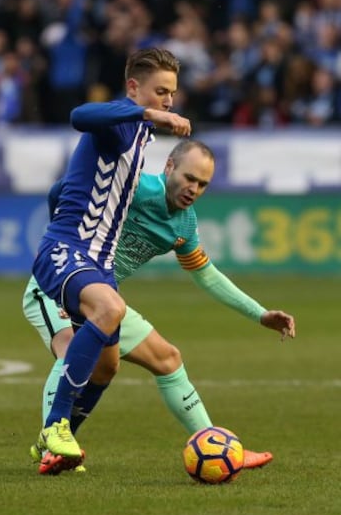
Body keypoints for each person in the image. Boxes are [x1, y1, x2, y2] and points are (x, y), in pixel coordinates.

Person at [24, 139, 296, 474]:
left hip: (103, 300)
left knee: (166, 359)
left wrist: (260, 313)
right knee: (70, 350)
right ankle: (54, 440)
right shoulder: (132, 187)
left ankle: (216, 444)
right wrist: (63, 251)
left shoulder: (183, 225)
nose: (194, 189)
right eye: (189, 178)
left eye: (203, 184)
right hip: (54, 286)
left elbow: (206, 276)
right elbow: (60, 190)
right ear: (169, 167)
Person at [30, 47, 192, 469]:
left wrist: (65, 207)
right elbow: (80, 115)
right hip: (69, 252)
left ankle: (54, 449)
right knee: (110, 307)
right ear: (134, 87)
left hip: (97, 264)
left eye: (172, 93)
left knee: (107, 368)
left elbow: (58, 190)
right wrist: (147, 114)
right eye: (160, 92)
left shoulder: (136, 140)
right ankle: (55, 425)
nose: (168, 101)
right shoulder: (121, 124)